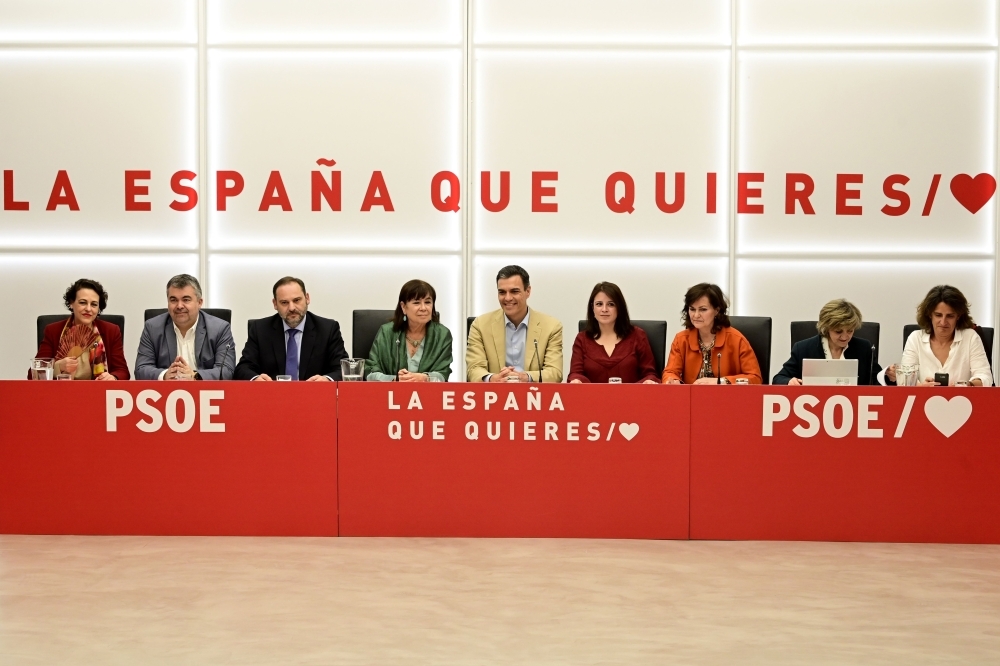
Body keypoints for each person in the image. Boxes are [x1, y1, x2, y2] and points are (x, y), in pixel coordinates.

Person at [234, 276, 348, 381]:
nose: (292, 308)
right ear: (275, 304)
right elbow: (243, 368)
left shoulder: (328, 329)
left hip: (314, 397)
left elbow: (342, 370)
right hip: (272, 397)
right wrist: (255, 378)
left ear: (307, 298)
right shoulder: (260, 329)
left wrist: (327, 379)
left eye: (297, 300)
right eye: (284, 303)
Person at [466, 265, 563, 383]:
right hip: (492, 396)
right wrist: (492, 379)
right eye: (502, 292)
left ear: (528, 291)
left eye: (514, 291)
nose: (507, 298)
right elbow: (474, 369)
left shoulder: (551, 326)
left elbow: (555, 372)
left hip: (534, 396)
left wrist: (526, 377)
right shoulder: (480, 325)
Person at [886, 285, 993, 386]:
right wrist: (922, 386)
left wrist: (967, 385)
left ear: (958, 316)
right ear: (929, 315)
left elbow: (985, 377)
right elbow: (904, 380)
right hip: (921, 402)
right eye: (938, 315)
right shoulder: (915, 339)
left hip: (963, 402)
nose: (943, 322)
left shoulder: (970, 337)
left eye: (950, 316)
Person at [134, 274, 236, 381]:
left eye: (186, 300)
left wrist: (194, 376)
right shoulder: (152, 328)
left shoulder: (220, 328)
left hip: (206, 394)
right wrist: (164, 375)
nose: (179, 306)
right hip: (166, 394)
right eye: (173, 300)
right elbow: (141, 369)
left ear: (199, 302)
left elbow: (226, 371)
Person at [662, 283, 761, 385]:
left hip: (727, 399)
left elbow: (755, 378)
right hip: (691, 399)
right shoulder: (681, 339)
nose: (696, 315)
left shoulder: (736, 339)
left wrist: (721, 381)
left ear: (717, 310)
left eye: (703, 309)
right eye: (692, 309)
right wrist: (672, 380)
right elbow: (670, 372)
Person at [32, 278, 129, 380]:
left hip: (98, 392)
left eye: (94, 304)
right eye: (82, 302)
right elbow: (33, 375)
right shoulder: (53, 331)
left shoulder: (111, 331)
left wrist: (113, 377)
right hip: (62, 392)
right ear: (71, 303)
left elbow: (123, 371)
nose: (88, 309)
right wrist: (58, 367)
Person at [773, 299, 881, 385]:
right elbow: (778, 379)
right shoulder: (803, 349)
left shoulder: (864, 348)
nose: (845, 336)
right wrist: (789, 382)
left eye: (850, 331)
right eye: (838, 331)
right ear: (826, 328)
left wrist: (889, 376)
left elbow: (878, 381)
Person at [568, 282, 658, 384]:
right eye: (599, 304)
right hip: (592, 398)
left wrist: (649, 381)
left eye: (611, 304)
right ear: (592, 308)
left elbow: (650, 374)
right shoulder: (582, 339)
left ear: (619, 308)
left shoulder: (638, 335)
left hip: (632, 398)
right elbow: (575, 373)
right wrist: (576, 380)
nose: (604, 309)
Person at [365, 280, 453, 382]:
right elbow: (370, 372)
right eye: (416, 303)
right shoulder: (387, 332)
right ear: (403, 307)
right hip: (389, 395)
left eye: (428, 302)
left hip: (428, 395)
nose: (423, 308)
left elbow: (443, 373)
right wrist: (395, 379)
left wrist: (425, 378)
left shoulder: (442, 334)